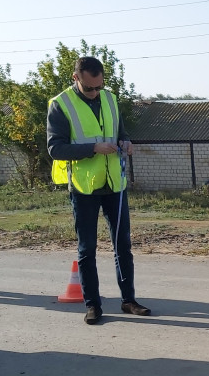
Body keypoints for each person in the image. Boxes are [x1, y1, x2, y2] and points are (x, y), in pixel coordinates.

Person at [46, 56, 150, 325]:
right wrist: (92, 148)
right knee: (87, 249)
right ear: (76, 78)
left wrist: (126, 143)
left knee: (122, 246)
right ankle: (93, 305)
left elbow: (121, 133)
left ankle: (129, 300)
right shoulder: (60, 105)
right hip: (84, 187)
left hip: (115, 183)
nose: (95, 93)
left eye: (99, 87)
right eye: (89, 88)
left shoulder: (111, 99)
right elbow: (55, 148)